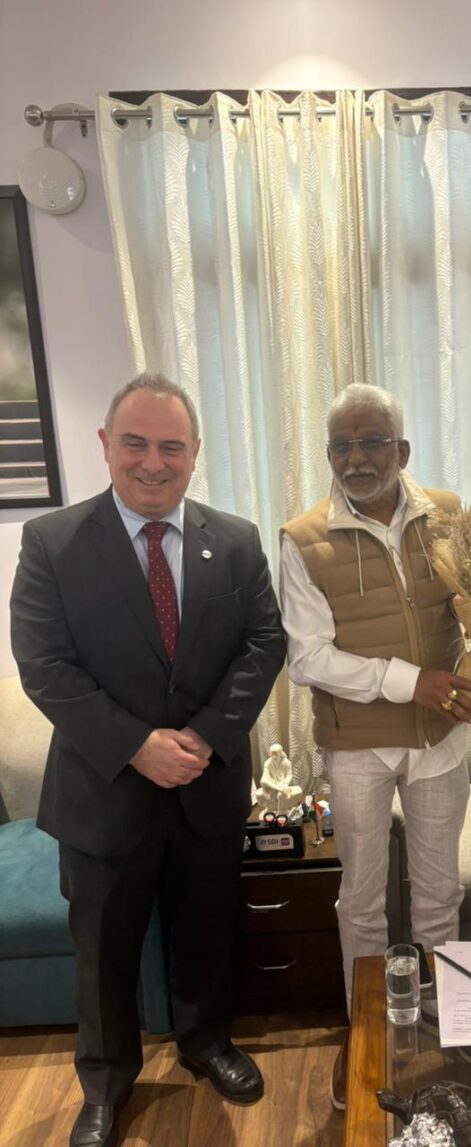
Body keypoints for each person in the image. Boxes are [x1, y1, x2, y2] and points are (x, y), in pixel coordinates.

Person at [10, 373, 286, 1147]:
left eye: (171, 446)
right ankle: (104, 1082)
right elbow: (44, 664)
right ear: (106, 445)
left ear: (195, 452)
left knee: (207, 931)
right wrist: (137, 745)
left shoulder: (236, 540)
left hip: (206, 782)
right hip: (103, 792)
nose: (153, 462)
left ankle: (206, 1042)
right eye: (135, 443)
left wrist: (203, 737)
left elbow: (265, 642)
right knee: (103, 953)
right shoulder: (53, 542)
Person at [279, 383, 471, 1110]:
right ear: (328, 453)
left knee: (440, 895)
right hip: (357, 747)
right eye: (341, 445)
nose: (357, 459)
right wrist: (409, 682)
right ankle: (366, 1032)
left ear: (403, 449)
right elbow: (308, 658)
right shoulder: (302, 538)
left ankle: (446, 1027)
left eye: (372, 442)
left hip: (440, 741)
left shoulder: (449, 514)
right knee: (362, 902)